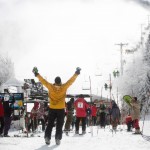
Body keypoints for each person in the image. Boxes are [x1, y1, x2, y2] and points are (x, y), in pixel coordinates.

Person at [32, 67, 81, 145]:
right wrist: (77, 73)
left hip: (52, 108)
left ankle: (47, 138)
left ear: (54, 82)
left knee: (50, 124)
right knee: (59, 125)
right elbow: (71, 81)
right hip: (61, 109)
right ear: (60, 82)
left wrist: (36, 74)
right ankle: (58, 139)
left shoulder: (50, 87)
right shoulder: (64, 87)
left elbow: (43, 81)